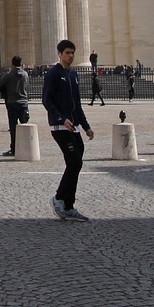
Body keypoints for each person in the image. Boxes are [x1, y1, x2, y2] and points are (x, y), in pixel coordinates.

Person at [43, 39, 94, 221]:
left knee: (76, 163)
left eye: (72, 53)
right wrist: (60, 118)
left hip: (73, 126)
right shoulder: (53, 74)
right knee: (74, 163)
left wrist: (86, 126)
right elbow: (47, 100)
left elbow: (77, 104)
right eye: (67, 53)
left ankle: (68, 205)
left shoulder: (73, 75)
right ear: (60, 53)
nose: (70, 56)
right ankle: (59, 199)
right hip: (60, 126)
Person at [0, 55, 30, 155]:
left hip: (12, 103)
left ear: (12, 63)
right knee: (25, 126)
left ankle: (14, 149)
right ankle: (27, 147)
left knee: (13, 127)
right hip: (24, 102)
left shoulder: (9, 75)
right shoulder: (25, 74)